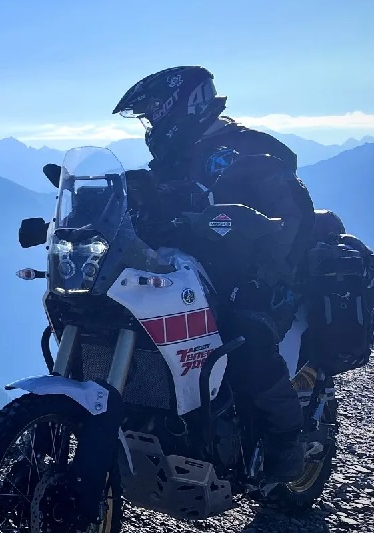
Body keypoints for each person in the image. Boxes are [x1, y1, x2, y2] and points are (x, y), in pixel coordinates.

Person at [111, 65, 317, 483]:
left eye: (153, 111)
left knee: (246, 337)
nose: (151, 123)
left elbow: (292, 215)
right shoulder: (169, 161)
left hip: (255, 277)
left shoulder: (247, 149)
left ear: (183, 104)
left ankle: (286, 445)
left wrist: (267, 276)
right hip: (194, 274)